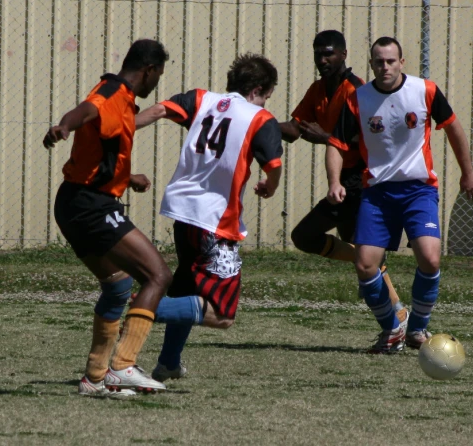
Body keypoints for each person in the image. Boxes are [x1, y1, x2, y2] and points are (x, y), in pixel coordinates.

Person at [326, 36, 473, 353]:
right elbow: (336, 144)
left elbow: (453, 128)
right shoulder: (358, 99)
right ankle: (392, 331)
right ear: (371, 64)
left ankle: (418, 329)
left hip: (418, 190)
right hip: (378, 193)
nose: (385, 67)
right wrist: (334, 181)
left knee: (430, 257)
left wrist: (468, 172)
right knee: (365, 264)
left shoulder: (425, 91)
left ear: (402, 62)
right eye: (379, 61)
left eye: (391, 61)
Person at [134, 53, 283, 381]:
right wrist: (270, 187)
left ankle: (169, 362)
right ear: (259, 89)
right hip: (215, 223)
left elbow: (159, 110)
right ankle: (138, 308)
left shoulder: (202, 99)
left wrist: (123, 126)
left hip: (182, 214)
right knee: (222, 314)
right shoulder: (261, 119)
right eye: (268, 95)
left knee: (187, 288)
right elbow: (273, 166)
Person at [42, 39, 173, 397]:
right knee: (158, 275)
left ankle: (95, 377)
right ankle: (123, 365)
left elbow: (101, 148)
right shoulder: (112, 93)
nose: (156, 82)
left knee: (117, 287)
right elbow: (84, 111)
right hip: (91, 206)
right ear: (147, 70)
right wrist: (63, 126)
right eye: (158, 75)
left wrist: (127, 178)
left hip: (73, 201)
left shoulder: (121, 98)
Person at [278, 30, 407, 326]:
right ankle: (397, 312)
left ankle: (396, 315)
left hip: (359, 181)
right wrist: (262, 123)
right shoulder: (318, 89)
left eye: (328, 54)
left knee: (305, 236)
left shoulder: (357, 90)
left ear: (344, 55)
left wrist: (327, 138)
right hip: (343, 181)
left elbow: (371, 143)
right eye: (317, 54)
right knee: (357, 250)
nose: (322, 59)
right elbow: (296, 129)